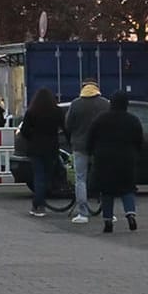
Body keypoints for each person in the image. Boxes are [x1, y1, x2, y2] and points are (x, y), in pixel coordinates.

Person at [86, 91, 144, 234]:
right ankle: (130, 214)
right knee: (127, 188)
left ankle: (108, 221)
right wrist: (135, 153)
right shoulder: (133, 120)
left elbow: (90, 138)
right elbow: (139, 140)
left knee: (107, 191)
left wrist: (91, 152)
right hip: (126, 158)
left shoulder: (101, 119)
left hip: (104, 159)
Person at [65, 80, 109, 224]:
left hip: (80, 145)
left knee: (80, 179)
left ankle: (83, 213)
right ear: (97, 88)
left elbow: (68, 124)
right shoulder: (105, 104)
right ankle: (107, 212)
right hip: (100, 146)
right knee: (104, 178)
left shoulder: (76, 104)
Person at [19, 88, 65, 218]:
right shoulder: (57, 111)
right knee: (47, 177)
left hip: (35, 148)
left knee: (38, 177)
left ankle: (38, 205)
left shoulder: (32, 111)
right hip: (51, 148)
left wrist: (32, 138)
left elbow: (24, 130)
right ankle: (40, 203)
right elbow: (64, 127)